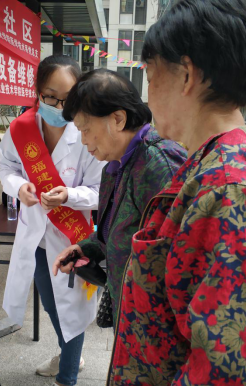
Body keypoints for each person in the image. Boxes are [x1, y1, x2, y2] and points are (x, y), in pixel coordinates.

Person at [106, 1, 246, 386]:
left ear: (187, 75)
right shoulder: (216, 162)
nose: (148, 95)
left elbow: (243, 379)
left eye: (150, 77)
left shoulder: (229, 188)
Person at [0, 56, 106, 386]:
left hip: (71, 238)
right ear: (37, 92)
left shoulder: (86, 131)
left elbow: (99, 190)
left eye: (67, 99)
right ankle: (69, 356)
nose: (60, 107)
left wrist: (69, 195)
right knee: (49, 303)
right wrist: (20, 187)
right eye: (51, 97)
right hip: (37, 237)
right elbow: (7, 167)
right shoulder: (21, 129)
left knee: (71, 309)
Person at [52, 69, 187, 325]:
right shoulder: (115, 165)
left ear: (118, 119)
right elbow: (122, 229)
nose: (83, 140)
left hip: (154, 325)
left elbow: (181, 260)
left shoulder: (159, 165)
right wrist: (86, 248)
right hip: (129, 312)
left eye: (86, 129)